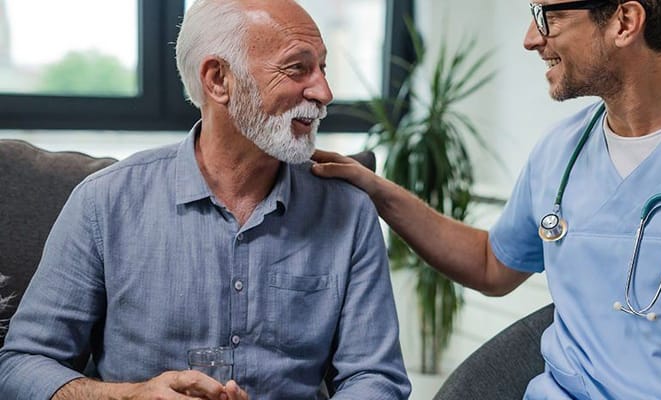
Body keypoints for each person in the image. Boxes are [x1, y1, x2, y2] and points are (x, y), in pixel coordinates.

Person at [312, 0, 661, 398]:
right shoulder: (560, 151)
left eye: (548, 16)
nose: (531, 37)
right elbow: (490, 264)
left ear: (624, 21)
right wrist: (379, 192)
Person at [0, 0, 410, 399]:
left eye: (322, 67)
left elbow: (376, 376)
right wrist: (129, 396)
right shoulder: (104, 203)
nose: (324, 91)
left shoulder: (348, 211)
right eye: (297, 68)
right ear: (218, 80)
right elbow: (22, 365)